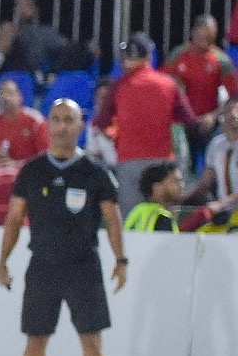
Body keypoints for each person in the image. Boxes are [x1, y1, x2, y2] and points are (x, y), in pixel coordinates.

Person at [0, 99, 126, 356]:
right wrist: (2, 261)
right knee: (35, 341)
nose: (62, 126)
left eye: (69, 120)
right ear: (48, 125)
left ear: (80, 126)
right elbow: (14, 218)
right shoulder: (33, 170)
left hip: (84, 267)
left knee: (91, 342)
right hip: (42, 266)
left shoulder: (95, 172)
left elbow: (112, 219)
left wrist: (121, 260)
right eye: (56, 119)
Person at [94, 33, 200, 212]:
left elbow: (101, 122)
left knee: (132, 221)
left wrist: (115, 136)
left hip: (130, 162)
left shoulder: (118, 86)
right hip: (162, 163)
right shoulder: (168, 84)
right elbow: (190, 120)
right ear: (150, 56)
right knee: (164, 218)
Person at [166, 15, 237, 162]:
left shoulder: (221, 60)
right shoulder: (177, 56)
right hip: (182, 123)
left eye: (209, 37)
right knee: (183, 163)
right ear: (193, 33)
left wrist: (214, 115)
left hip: (208, 124)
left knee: (210, 162)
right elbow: (162, 85)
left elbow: (234, 96)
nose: (204, 42)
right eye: (201, 37)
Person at [123, 161, 216, 232]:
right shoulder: (162, 217)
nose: (181, 185)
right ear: (157, 188)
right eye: (176, 181)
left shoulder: (136, 211)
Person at [189, 99, 238, 231]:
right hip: (224, 214)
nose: (234, 118)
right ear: (222, 119)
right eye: (229, 113)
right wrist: (184, 198)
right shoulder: (216, 145)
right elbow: (206, 182)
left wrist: (222, 203)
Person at [0, 78, 49, 166]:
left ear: (19, 96)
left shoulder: (35, 121)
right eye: (1, 93)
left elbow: (45, 157)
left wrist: (16, 164)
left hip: (28, 173)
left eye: (9, 93)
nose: (5, 98)